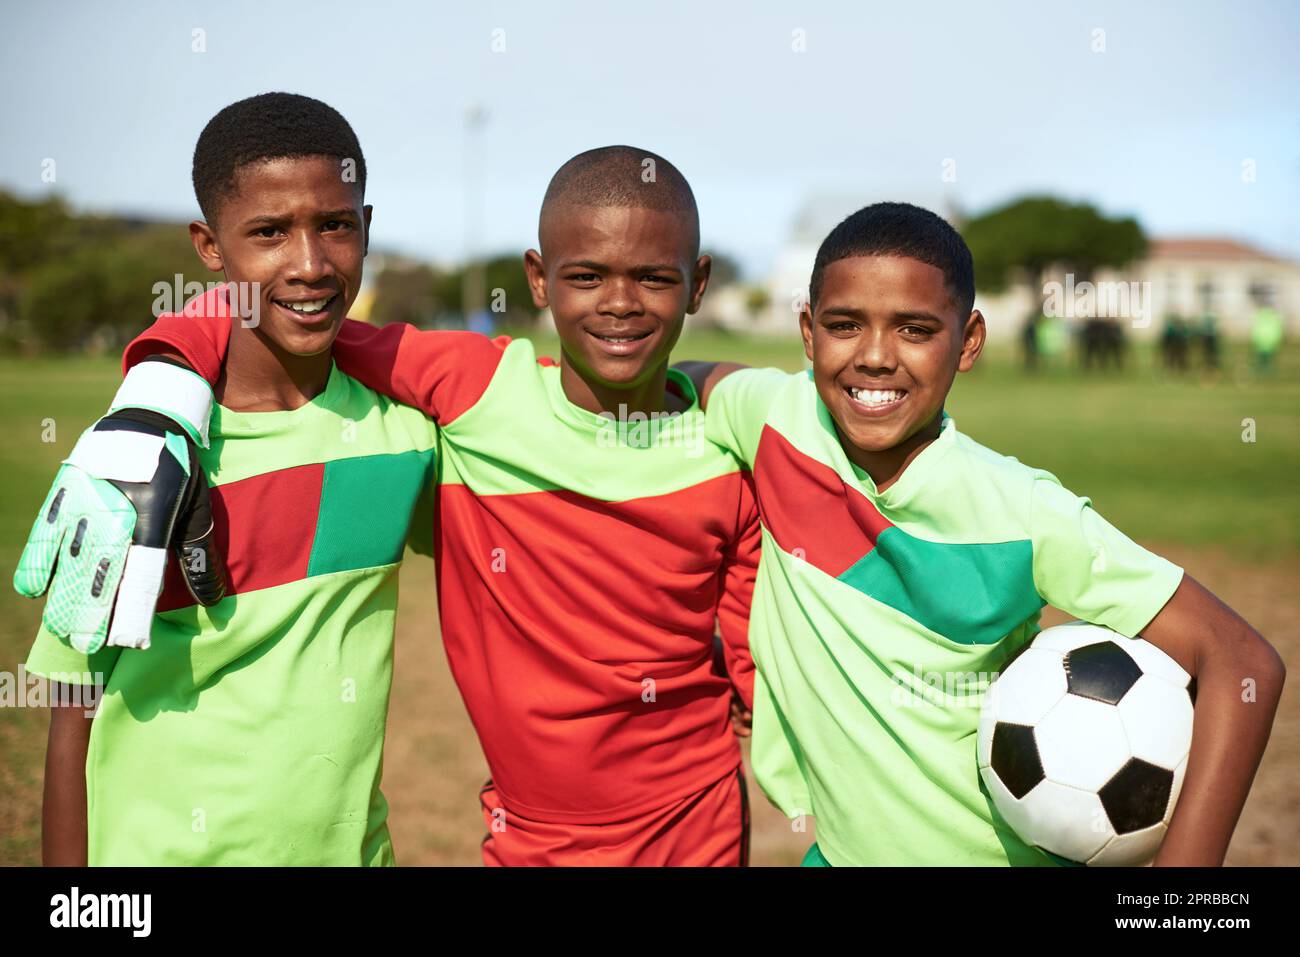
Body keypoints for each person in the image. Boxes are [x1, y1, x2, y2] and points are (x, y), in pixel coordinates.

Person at [44, 146, 762, 866]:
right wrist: (161, 385)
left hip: (699, 828)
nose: (619, 303)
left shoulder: (730, 446)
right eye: (587, 276)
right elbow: (286, 307)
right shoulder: (474, 394)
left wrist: (724, 381)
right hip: (534, 844)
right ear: (539, 280)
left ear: (696, 285)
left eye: (653, 278)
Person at [683, 202, 1285, 866]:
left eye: (914, 328)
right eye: (845, 325)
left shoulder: (1023, 511)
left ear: (968, 341)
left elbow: (1241, 660)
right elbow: (676, 381)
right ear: (808, 331)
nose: (876, 356)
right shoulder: (776, 418)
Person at [18, 93, 437, 865]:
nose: (309, 264)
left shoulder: (406, 438)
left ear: (367, 228)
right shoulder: (140, 460)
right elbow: (71, 706)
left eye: (335, 224)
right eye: (269, 232)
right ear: (210, 246)